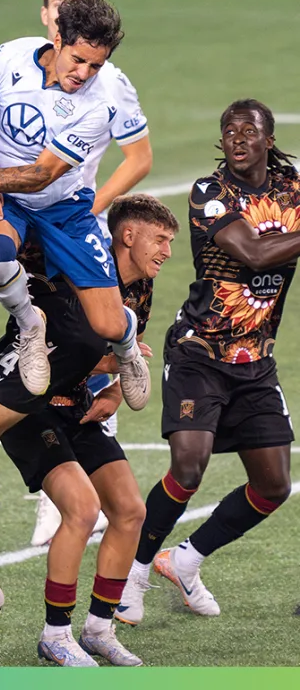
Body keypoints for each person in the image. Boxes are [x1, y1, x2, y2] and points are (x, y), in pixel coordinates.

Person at [0, 195, 176, 666]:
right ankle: (56, 634)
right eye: (161, 240)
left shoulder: (140, 289)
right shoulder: (75, 258)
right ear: (128, 235)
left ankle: (99, 629)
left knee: (130, 511)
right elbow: (26, 276)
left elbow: (120, 354)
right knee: (81, 510)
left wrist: (111, 394)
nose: (167, 251)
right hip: (31, 407)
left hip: (78, 406)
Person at [0, 0, 150, 412]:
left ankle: (128, 349)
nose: (84, 73)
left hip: (64, 207)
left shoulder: (99, 104)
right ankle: (30, 326)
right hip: (9, 199)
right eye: (79, 59)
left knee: (108, 324)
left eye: (96, 65)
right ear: (57, 39)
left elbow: (41, 176)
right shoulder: (9, 58)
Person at [116, 100, 298, 626]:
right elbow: (256, 254)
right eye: (229, 130)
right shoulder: (210, 192)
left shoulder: (292, 191)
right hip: (199, 351)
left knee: (273, 486)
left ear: (268, 140)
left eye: (249, 131)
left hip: (256, 360)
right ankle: (134, 574)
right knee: (189, 464)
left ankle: (186, 560)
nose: (237, 138)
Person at [33, 0, 153, 546]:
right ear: (47, 18)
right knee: (38, 338)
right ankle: (58, 487)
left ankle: (74, 481)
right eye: (59, 8)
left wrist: (94, 206)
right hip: (28, 223)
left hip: (72, 223)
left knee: (82, 339)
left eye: (77, 6)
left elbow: (139, 158)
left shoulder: (108, 83)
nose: (66, 16)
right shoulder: (22, 68)